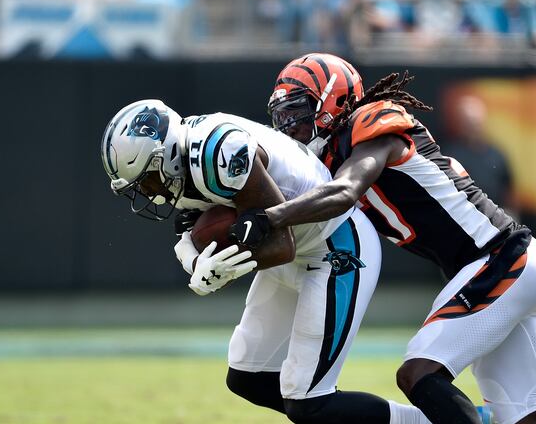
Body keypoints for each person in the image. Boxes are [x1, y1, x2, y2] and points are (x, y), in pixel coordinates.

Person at [230, 53, 536, 424]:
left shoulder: (372, 121)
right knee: (524, 422)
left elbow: (345, 192)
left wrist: (268, 218)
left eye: (299, 111)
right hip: (498, 266)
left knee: (418, 373)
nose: (289, 125)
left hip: (502, 259)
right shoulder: (329, 157)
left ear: (333, 102)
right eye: (283, 115)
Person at [99, 99, 434, 424]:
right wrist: (194, 264)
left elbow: (279, 244)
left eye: (147, 179)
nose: (148, 192)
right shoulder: (183, 161)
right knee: (249, 377)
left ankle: (429, 421)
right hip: (293, 249)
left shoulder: (218, 152)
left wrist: (222, 271)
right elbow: (188, 233)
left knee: (309, 403)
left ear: (167, 152)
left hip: (334, 245)